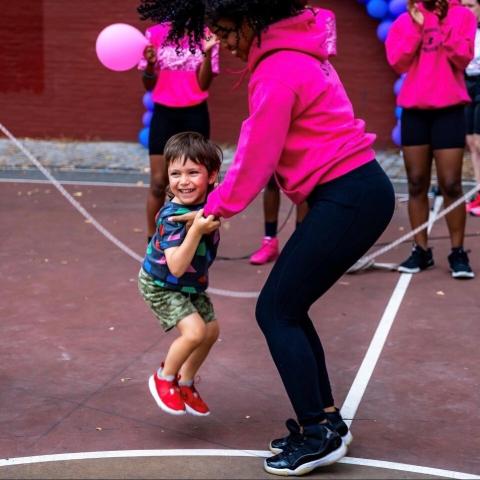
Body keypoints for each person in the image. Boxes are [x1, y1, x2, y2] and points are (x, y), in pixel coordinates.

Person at [138, 1, 395, 476]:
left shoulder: (277, 68)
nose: (226, 43)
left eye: (229, 31)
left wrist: (211, 209)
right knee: (288, 307)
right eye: (216, 32)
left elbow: (257, 152)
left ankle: (318, 433)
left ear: (253, 17)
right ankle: (327, 423)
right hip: (353, 193)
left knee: (275, 310)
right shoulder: (293, 55)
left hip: (349, 195)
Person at [386, 0, 476, 278]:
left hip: (449, 109)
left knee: (451, 184)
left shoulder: (462, 16)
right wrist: (418, 28)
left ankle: (458, 253)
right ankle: (421, 250)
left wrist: (435, 26)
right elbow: (397, 62)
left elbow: (462, 57)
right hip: (414, 110)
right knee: (416, 183)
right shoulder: (405, 21)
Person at [138, 132, 222, 417]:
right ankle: (164, 377)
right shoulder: (172, 217)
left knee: (211, 331)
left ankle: (186, 382)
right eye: (175, 173)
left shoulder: (209, 200)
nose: (183, 181)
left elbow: (231, 196)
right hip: (161, 283)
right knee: (195, 331)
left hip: (190, 284)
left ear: (211, 177)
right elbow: (175, 266)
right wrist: (196, 229)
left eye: (192, 172)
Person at [249, 6, 337, 266]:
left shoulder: (325, 17)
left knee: (307, 177)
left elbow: (322, 58)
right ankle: (270, 241)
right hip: (274, 95)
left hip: (305, 102)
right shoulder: (269, 13)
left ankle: (301, 241)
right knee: (270, 177)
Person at [139, 24, 220, 243]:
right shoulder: (154, 33)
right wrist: (150, 64)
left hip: (195, 113)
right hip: (164, 114)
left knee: (196, 182)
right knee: (158, 183)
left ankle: (195, 239)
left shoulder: (206, 34)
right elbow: (148, 83)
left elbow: (203, 84)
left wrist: (208, 52)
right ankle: (152, 241)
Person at [462, 0, 480, 216]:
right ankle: (478, 191)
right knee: (471, 142)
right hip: (466, 82)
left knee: (479, 140)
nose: (467, 11)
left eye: (471, 6)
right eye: (463, 6)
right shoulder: (462, 28)